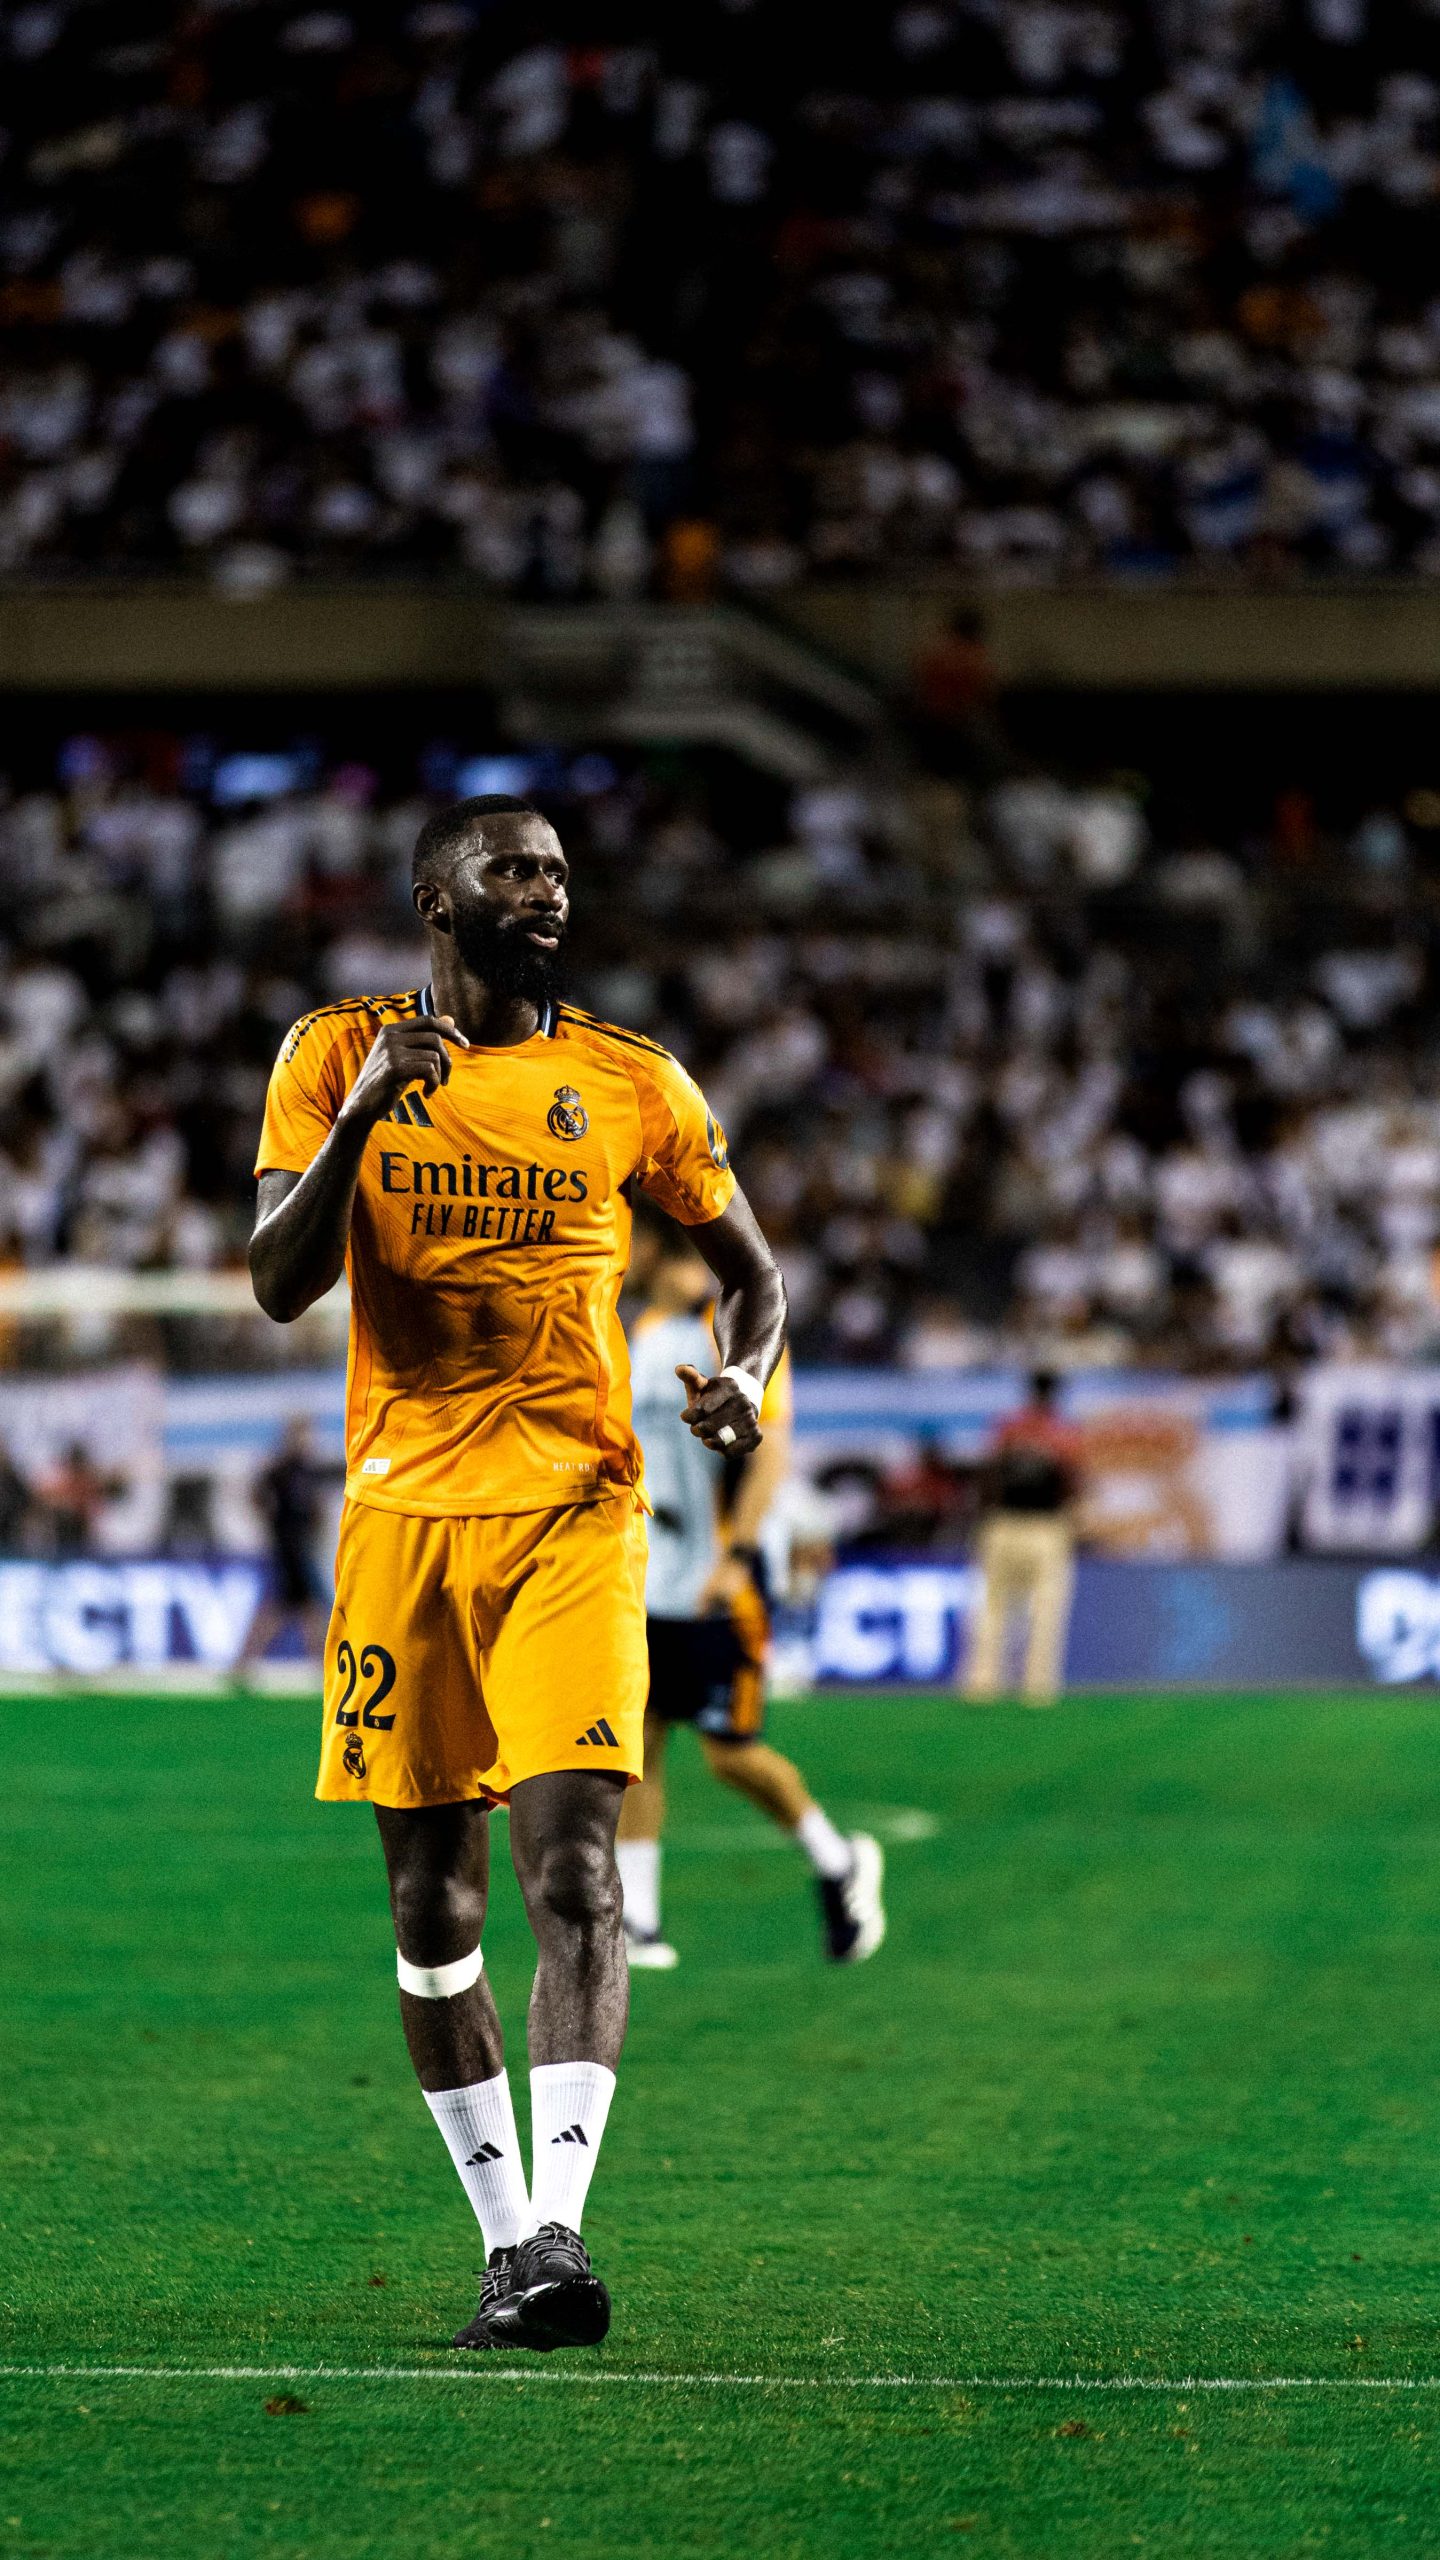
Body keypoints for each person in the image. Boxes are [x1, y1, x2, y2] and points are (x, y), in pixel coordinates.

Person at [248, 794, 785, 2357]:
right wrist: (365, 1118)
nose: (549, 890)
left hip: (575, 1517)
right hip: (405, 1527)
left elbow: (754, 1278)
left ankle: (559, 2229)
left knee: (575, 1875)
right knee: (433, 1908)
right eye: (515, 868)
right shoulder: (331, 1055)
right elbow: (279, 1283)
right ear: (438, 898)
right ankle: (505, 2248)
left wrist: (745, 1379)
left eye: (558, 870)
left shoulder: (630, 1080)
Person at [617, 1213, 885, 1969]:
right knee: (639, 1739)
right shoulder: (644, 1331)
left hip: (720, 1572)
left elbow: (770, 1451)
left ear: (655, 1248)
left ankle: (838, 1860)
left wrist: (736, 1556)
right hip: (651, 1569)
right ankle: (640, 1920)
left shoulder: (737, 1328)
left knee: (730, 1753)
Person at [963, 1372, 1084, 1707]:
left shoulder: (1008, 1428)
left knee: (992, 1607)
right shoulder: (1064, 1432)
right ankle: (1037, 1688)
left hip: (1003, 1523)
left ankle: (982, 1684)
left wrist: (986, 1517)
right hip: (1045, 1526)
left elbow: (988, 1474)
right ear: (1056, 1394)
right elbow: (1074, 1482)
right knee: (1046, 1609)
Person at [232, 1416, 333, 1681]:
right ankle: (321, 1666)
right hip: (287, 1549)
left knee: (299, 1608)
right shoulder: (281, 1470)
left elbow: (315, 1509)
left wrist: (314, 1527)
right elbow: (256, 1495)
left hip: (301, 1548)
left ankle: (320, 1664)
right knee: (297, 1608)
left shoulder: (307, 1470)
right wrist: (272, 1520)